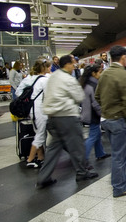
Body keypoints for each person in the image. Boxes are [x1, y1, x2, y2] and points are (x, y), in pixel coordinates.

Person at [36, 55, 98, 189]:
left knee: (53, 149)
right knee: (77, 146)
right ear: (67, 65)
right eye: (73, 64)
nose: (74, 66)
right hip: (67, 117)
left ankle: (43, 177)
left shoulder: (53, 76)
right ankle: (82, 173)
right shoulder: (68, 79)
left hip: (52, 118)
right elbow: (79, 96)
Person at [95, 45, 126, 198]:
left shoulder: (104, 73)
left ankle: (121, 178)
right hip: (118, 120)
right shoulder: (124, 75)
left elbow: (97, 96)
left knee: (117, 153)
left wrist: (106, 110)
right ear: (124, 57)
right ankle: (119, 187)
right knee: (120, 155)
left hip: (105, 120)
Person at [15, 58, 52, 168]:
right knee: (40, 135)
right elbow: (50, 95)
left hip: (32, 110)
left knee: (38, 133)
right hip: (40, 110)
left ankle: (40, 157)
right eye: (48, 66)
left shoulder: (29, 78)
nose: (50, 69)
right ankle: (30, 159)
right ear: (44, 68)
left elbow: (18, 92)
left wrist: (29, 99)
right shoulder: (44, 80)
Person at [79, 64, 110, 169]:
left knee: (96, 134)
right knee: (93, 136)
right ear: (94, 73)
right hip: (92, 114)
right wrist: (102, 112)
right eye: (99, 72)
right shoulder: (93, 85)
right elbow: (95, 102)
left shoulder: (86, 83)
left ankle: (100, 153)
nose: (100, 74)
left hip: (88, 113)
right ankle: (83, 161)